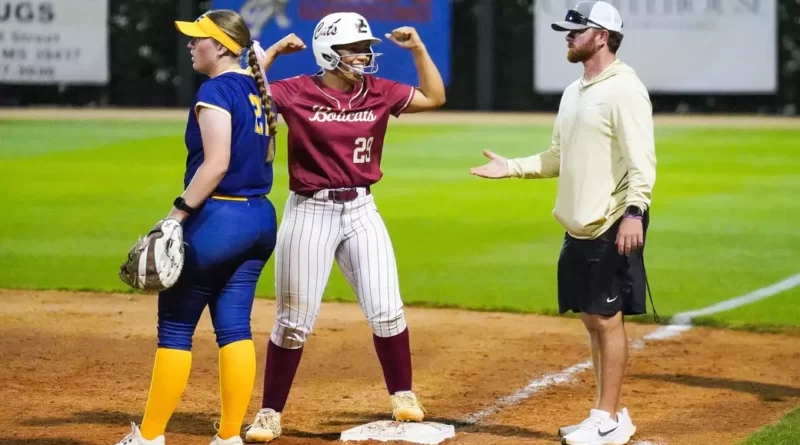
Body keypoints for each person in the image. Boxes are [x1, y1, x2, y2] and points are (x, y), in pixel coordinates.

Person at [241, 11, 446, 443]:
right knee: (293, 323)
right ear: (328, 53)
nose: (365, 55)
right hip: (309, 211)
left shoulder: (379, 91)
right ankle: (269, 412)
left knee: (387, 310)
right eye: (356, 48)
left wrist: (419, 49)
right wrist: (274, 51)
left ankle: (403, 394)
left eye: (367, 47)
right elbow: (245, 93)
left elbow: (434, 96)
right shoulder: (296, 91)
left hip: (361, 210)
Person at [470, 2, 655, 444]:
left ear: (603, 36)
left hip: (611, 222)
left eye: (576, 31)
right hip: (577, 226)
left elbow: (641, 161)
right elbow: (557, 156)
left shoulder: (625, 89)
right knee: (592, 319)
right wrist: (511, 167)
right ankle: (605, 414)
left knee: (607, 319)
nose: (568, 37)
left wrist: (635, 212)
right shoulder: (575, 91)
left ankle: (607, 418)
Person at [114, 9, 279, 445]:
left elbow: (217, 163)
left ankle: (148, 437)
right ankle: (228, 437)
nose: (190, 45)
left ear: (221, 46)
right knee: (234, 328)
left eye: (197, 39)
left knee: (175, 329)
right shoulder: (255, 88)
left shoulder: (216, 90)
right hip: (259, 218)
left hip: (218, 220)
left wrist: (176, 215)